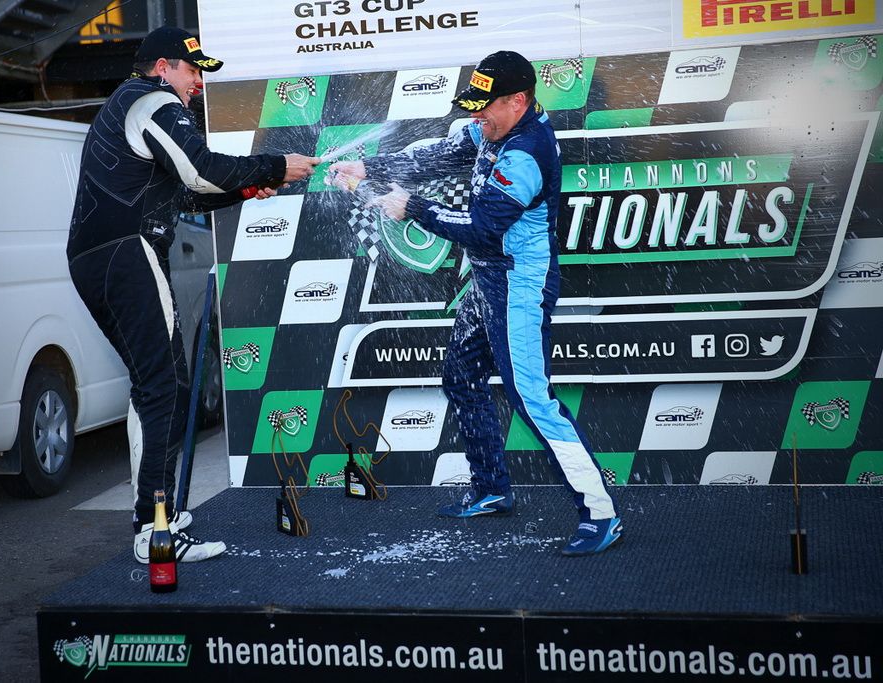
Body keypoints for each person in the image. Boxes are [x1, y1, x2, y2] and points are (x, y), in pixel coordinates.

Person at [327, 51, 621, 556]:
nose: (477, 116)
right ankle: (491, 490)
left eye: (486, 108)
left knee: (532, 401)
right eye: (475, 106)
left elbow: (483, 230)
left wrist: (412, 207)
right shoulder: (491, 127)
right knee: (461, 377)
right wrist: (369, 166)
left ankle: (600, 512)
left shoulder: (527, 153)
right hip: (488, 282)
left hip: (519, 286)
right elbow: (436, 156)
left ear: (519, 101)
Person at [67, 26, 319, 564]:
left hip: (102, 256)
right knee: (163, 387)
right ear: (162, 67)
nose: (199, 83)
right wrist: (275, 165)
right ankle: (152, 529)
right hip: (125, 251)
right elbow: (201, 168)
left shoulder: (129, 108)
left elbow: (183, 194)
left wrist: (250, 187)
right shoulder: (151, 99)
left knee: (161, 385)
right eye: (193, 70)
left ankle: (155, 520)